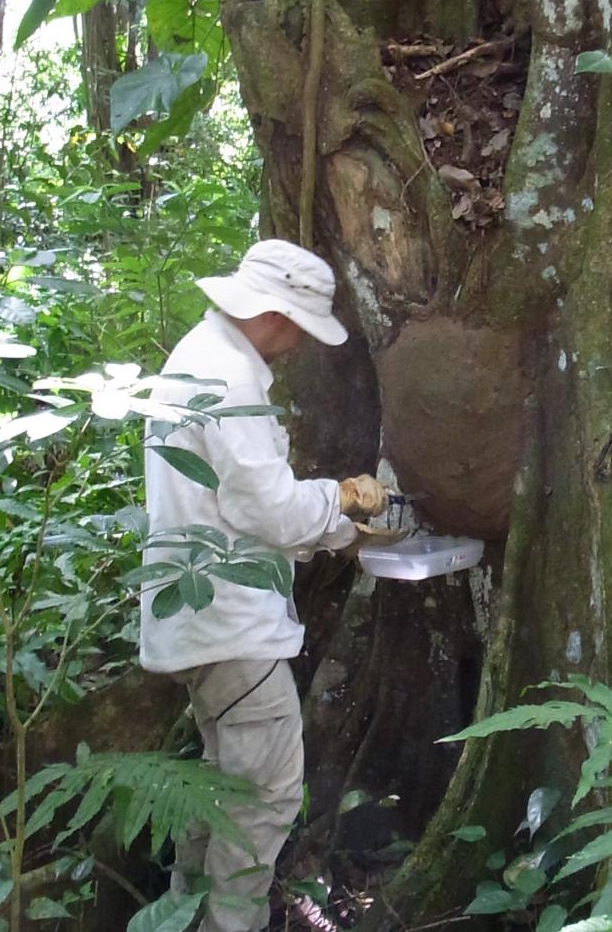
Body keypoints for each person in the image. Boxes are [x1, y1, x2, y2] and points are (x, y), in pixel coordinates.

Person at [140, 238, 387, 932]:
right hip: (231, 623)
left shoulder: (197, 355)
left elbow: (239, 505)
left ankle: (181, 916)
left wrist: (340, 526)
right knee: (266, 796)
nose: (298, 347)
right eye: (300, 330)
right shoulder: (230, 378)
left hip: (194, 617)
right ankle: (229, 924)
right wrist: (345, 502)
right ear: (276, 314)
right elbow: (271, 511)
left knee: (216, 791)